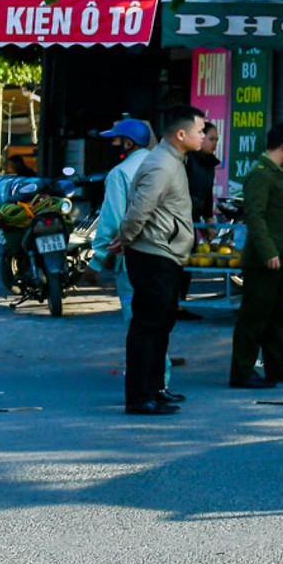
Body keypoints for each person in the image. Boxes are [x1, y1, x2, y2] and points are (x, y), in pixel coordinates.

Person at [107, 105, 205, 416]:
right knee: (147, 328)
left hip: (165, 253)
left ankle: (155, 390)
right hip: (153, 255)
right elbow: (139, 209)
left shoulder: (173, 160)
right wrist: (126, 237)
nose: (203, 136)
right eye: (200, 131)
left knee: (161, 326)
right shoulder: (162, 164)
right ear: (181, 134)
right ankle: (139, 398)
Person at [89, 119, 178, 389]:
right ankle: (161, 384)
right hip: (166, 258)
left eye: (116, 139)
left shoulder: (120, 174)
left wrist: (96, 261)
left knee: (138, 327)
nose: (113, 144)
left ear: (129, 143)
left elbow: (112, 223)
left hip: (133, 264)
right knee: (159, 326)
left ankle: (144, 388)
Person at [230, 123, 283, 389]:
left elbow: (281, 215)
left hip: (280, 258)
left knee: (276, 317)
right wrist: (268, 251)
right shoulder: (261, 174)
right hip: (264, 261)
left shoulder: (277, 172)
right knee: (254, 318)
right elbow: (255, 216)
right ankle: (242, 371)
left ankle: (278, 367)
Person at [176, 121, 222, 323]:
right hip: (178, 218)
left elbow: (206, 193)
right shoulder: (186, 160)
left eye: (216, 140)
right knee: (176, 263)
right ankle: (171, 304)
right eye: (212, 139)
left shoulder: (209, 163)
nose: (214, 144)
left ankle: (179, 303)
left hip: (194, 220)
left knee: (186, 263)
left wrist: (208, 219)